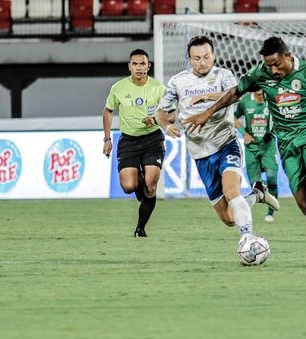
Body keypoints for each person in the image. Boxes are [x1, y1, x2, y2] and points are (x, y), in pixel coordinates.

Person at [183, 36, 306, 270]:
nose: (273, 70)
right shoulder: (261, 74)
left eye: (277, 64)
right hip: (287, 143)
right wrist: (207, 112)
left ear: (288, 57)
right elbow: (235, 92)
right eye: (269, 65)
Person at [154, 35, 279, 249]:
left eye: (206, 56)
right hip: (200, 154)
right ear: (189, 59)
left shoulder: (223, 75)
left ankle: (248, 239)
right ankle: (256, 195)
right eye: (196, 58)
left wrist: (207, 97)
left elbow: (234, 95)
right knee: (229, 218)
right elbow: (160, 112)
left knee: (231, 191)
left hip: (226, 144)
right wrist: (166, 125)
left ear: (214, 55)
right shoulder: (178, 81)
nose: (202, 62)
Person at [103, 49, 166, 238]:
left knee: (151, 186)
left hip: (152, 139)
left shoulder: (158, 88)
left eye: (142, 64)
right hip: (128, 141)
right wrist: (107, 139)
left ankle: (140, 228)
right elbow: (108, 111)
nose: (139, 67)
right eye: (135, 64)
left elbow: (169, 113)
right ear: (129, 66)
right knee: (129, 186)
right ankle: (140, 179)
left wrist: (155, 120)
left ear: (149, 66)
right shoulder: (118, 88)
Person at [235, 90, 280, 223]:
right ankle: (264, 194)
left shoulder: (273, 100)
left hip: (268, 147)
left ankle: (270, 213)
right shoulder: (245, 101)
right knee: (256, 185)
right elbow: (234, 118)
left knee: (272, 178)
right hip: (252, 148)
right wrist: (244, 133)